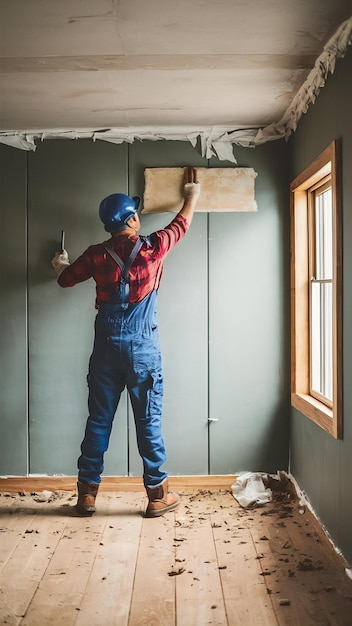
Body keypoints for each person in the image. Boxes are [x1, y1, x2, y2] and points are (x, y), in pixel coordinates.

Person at [51, 168, 200, 517]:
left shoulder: (95, 255)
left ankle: (87, 495)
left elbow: (65, 279)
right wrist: (191, 195)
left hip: (105, 351)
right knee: (148, 421)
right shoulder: (152, 249)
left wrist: (60, 263)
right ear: (132, 219)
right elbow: (181, 224)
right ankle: (158, 496)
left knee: (99, 421)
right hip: (142, 351)